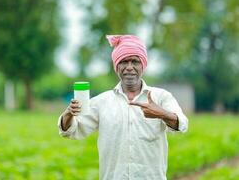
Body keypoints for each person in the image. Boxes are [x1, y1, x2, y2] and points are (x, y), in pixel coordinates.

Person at [58, 35, 188, 180]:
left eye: (135, 62)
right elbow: (72, 131)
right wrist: (69, 114)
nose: (129, 67)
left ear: (143, 66)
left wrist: (162, 114)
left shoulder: (161, 97)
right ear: (117, 66)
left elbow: (182, 124)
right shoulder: (101, 102)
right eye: (124, 62)